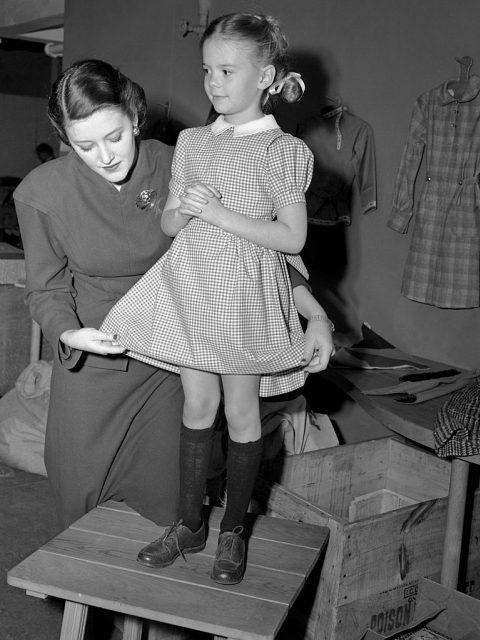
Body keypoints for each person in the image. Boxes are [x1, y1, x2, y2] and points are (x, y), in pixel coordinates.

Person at [14, 59, 335, 536]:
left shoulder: (180, 159)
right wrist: (69, 333)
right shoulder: (41, 193)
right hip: (94, 362)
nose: (104, 156)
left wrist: (315, 314)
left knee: (167, 511)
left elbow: (250, 246)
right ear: (64, 138)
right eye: (84, 146)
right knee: (79, 515)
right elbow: (46, 288)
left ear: (135, 117)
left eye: (114, 137)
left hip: (175, 354)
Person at [101, 13, 331, 585]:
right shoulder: (193, 141)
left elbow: (293, 239)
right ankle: (188, 524)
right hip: (193, 291)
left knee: (242, 415)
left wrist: (221, 212)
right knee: (196, 409)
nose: (214, 83)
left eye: (227, 70)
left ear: (266, 76)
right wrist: (182, 207)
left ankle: (232, 531)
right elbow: (174, 223)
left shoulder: (283, 151)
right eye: (207, 70)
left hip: (245, 298)